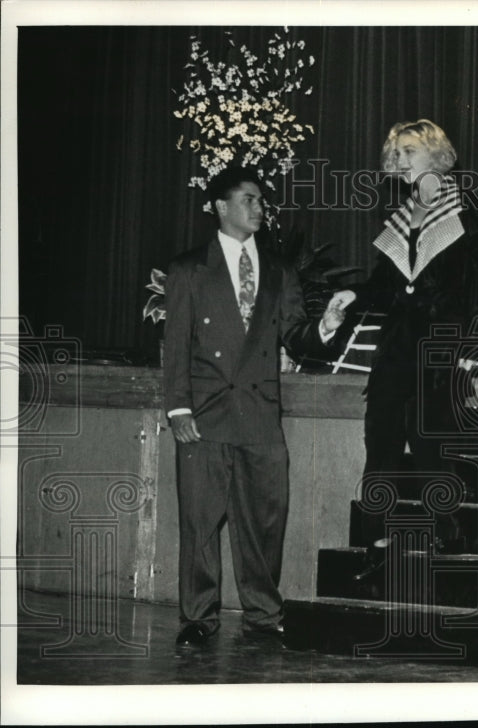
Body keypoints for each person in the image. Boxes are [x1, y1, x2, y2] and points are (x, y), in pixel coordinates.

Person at [163, 166, 345, 648]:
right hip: (204, 416)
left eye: (262, 201)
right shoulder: (187, 269)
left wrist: (325, 327)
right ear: (222, 207)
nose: (260, 208)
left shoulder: (280, 268)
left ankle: (264, 613)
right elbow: (176, 344)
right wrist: (178, 409)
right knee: (200, 522)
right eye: (250, 200)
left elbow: (297, 337)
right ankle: (198, 617)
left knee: (265, 521)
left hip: (261, 414)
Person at [328, 119, 478, 482]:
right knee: (380, 446)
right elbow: (386, 286)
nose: (401, 160)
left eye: (410, 151)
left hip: (442, 350)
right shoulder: (401, 217)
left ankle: (447, 539)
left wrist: (471, 353)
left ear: (436, 155)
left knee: (434, 452)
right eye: (397, 152)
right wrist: (354, 293)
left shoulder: (469, 211)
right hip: (396, 348)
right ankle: (376, 540)